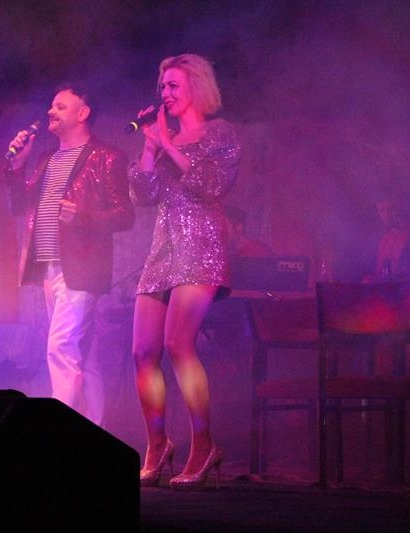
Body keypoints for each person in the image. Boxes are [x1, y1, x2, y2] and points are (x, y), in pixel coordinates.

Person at [129, 54, 242, 489]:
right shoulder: (164, 138)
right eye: (162, 87)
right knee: (143, 351)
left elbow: (212, 186)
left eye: (174, 85)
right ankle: (157, 444)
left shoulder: (219, 133)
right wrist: (150, 146)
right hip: (163, 248)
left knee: (179, 343)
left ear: (197, 86)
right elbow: (143, 195)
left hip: (201, 246)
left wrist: (170, 146)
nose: (166, 93)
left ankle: (204, 444)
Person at [5, 82, 135, 425]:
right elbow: (18, 205)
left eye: (61, 106)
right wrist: (18, 166)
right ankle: (94, 429)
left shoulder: (106, 156)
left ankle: (59, 431)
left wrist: (83, 216)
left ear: (83, 113)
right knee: (83, 354)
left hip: (83, 267)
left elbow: (125, 215)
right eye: (52, 106)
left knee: (60, 347)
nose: (51, 111)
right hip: (50, 267)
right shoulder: (46, 159)